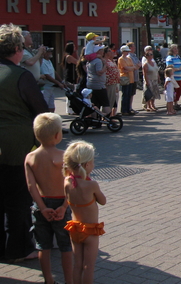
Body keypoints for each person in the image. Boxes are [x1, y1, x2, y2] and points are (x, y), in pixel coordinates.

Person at [0, 24, 48, 263]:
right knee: (17, 199)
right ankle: (19, 249)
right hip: (15, 147)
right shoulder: (21, 76)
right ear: (17, 49)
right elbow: (41, 111)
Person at [24, 113, 73, 284]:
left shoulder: (30, 158)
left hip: (41, 204)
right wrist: (64, 206)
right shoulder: (65, 156)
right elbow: (72, 183)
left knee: (43, 246)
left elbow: (31, 186)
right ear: (58, 135)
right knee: (65, 246)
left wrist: (42, 208)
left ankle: (48, 280)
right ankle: (69, 280)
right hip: (61, 203)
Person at [63, 140, 106, 284]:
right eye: (93, 162)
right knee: (89, 267)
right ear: (87, 165)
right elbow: (103, 200)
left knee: (78, 265)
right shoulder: (91, 185)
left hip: (75, 227)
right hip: (90, 230)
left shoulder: (67, 182)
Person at [86, 46, 111, 121]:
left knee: (95, 103)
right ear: (98, 51)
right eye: (101, 50)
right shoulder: (98, 61)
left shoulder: (90, 61)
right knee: (105, 103)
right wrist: (105, 66)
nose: (103, 52)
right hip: (99, 85)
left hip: (91, 84)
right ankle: (109, 119)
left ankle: (95, 120)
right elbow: (99, 72)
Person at [39, 48, 65, 112]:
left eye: (50, 52)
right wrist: (58, 83)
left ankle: (51, 120)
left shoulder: (49, 61)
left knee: (52, 107)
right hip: (46, 88)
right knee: (44, 107)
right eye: (48, 52)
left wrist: (61, 81)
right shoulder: (43, 62)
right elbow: (47, 76)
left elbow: (54, 72)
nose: (50, 53)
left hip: (51, 88)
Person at [165, 44, 181, 111]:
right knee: (173, 92)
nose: (176, 50)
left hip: (179, 77)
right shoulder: (169, 58)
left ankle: (176, 103)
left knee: (179, 91)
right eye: (174, 49)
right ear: (171, 50)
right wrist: (179, 68)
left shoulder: (178, 57)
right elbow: (170, 68)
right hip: (174, 77)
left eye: (176, 48)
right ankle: (171, 104)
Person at [118, 45, 136, 116]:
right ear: (122, 52)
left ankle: (128, 109)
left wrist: (130, 68)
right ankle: (124, 110)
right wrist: (130, 68)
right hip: (125, 78)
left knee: (129, 95)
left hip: (131, 78)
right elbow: (125, 68)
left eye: (127, 51)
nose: (127, 52)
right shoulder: (121, 59)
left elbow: (133, 67)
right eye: (126, 51)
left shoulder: (129, 59)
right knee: (125, 95)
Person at [142, 45, 161, 112]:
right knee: (149, 93)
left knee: (154, 93)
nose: (151, 56)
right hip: (149, 80)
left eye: (151, 55)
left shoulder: (154, 63)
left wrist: (158, 78)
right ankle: (148, 106)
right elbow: (145, 73)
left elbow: (157, 71)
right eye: (149, 55)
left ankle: (153, 105)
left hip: (155, 79)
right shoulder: (145, 64)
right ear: (146, 56)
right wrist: (147, 81)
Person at [104, 48, 120, 117]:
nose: (112, 52)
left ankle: (109, 115)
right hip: (108, 83)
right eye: (110, 51)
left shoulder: (110, 61)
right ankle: (107, 116)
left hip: (114, 83)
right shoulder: (104, 61)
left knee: (112, 100)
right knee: (109, 101)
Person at [127, 42, 142, 114]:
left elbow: (139, 64)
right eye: (133, 47)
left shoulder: (134, 56)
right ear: (130, 48)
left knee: (132, 93)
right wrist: (136, 66)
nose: (135, 48)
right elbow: (134, 66)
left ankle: (130, 107)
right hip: (130, 77)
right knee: (129, 93)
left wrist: (137, 66)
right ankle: (128, 108)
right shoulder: (129, 56)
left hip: (135, 77)